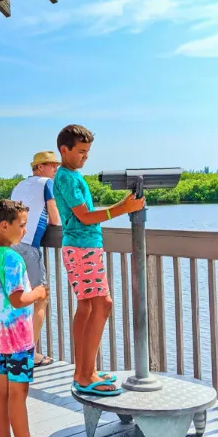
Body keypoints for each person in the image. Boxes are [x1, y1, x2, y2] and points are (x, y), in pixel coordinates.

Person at [53, 124, 144, 396]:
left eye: (88, 152)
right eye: (81, 152)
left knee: (87, 308)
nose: (85, 157)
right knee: (103, 305)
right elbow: (85, 216)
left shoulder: (67, 176)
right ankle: (85, 374)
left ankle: (82, 369)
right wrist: (122, 208)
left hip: (79, 247)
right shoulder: (68, 178)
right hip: (83, 248)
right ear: (64, 150)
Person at [0, 199, 62, 437]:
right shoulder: (13, 258)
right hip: (17, 338)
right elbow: (17, 299)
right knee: (19, 394)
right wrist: (38, 293)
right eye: (22, 225)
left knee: (2, 391)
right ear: (5, 226)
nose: (25, 231)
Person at [10, 151, 61, 367]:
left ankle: (12, 349)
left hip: (9, 246)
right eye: (52, 166)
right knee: (41, 297)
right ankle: (28, 353)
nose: (55, 170)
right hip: (28, 246)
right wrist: (59, 229)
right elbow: (54, 215)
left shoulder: (19, 185)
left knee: (17, 299)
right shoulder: (46, 184)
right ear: (40, 167)